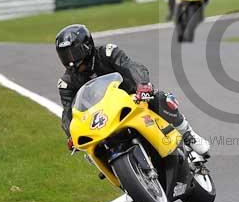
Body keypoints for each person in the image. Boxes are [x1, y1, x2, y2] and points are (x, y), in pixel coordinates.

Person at [55, 23, 211, 165]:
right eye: (65, 55)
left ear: (87, 46)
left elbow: (132, 67)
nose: (70, 60)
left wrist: (142, 86)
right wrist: (70, 134)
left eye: (73, 52)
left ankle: (188, 134)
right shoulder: (67, 82)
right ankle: (126, 181)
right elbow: (68, 111)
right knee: (92, 152)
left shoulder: (108, 53)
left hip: (132, 99)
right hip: (102, 117)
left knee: (160, 98)